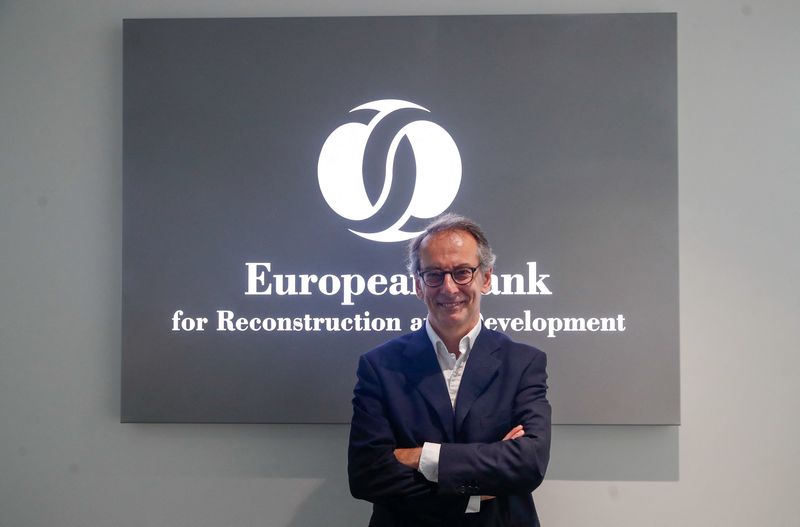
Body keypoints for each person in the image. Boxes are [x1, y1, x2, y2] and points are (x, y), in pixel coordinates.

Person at [348, 213, 551, 526]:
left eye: (462, 273)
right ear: (418, 284)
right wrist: (474, 490)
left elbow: (528, 465)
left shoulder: (524, 364)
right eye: (434, 275)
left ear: (486, 278)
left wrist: (422, 457)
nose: (449, 287)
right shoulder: (380, 366)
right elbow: (368, 476)